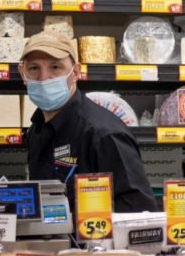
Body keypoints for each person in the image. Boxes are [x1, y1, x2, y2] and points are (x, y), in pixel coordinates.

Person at [19, 31, 157, 212]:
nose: (44, 78)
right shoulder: (37, 128)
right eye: (34, 68)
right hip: (51, 237)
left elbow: (139, 210)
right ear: (23, 74)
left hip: (90, 241)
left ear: (75, 72)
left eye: (55, 67)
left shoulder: (103, 134)